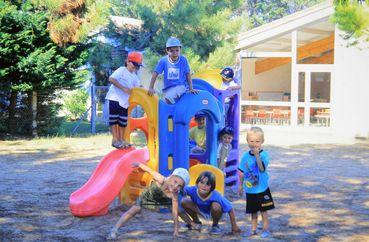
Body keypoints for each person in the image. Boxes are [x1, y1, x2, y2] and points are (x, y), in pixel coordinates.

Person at [108, 165, 190, 239]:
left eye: (179, 186)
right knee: (133, 211)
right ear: (171, 177)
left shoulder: (174, 194)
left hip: (163, 200)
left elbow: (174, 213)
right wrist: (139, 164)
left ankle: (191, 224)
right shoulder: (161, 179)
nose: (176, 186)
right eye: (175, 182)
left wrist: (176, 230)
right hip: (149, 196)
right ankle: (115, 229)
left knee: (179, 210)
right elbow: (149, 170)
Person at [238, 127, 275, 238]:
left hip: (262, 189)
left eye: (257, 141)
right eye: (251, 141)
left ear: (262, 141)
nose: (254, 144)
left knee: (264, 211)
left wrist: (257, 155)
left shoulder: (264, 155)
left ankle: (265, 229)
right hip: (250, 189)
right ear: (247, 141)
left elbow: (262, 169)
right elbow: (241, 172)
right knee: (253, 212)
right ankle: (253, 229)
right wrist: (240, 185)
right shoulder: (245, 156)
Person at [105, 51, 143, 149]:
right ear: (128, 62)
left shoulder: (134, 76)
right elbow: (111, 79)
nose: (135, 67)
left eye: (137, 66)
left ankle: (122, 140)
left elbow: (139, 86)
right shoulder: (122, 70)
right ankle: (115, 139)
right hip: (115, 98)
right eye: (134, 64)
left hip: (124, 102)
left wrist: (147, 90)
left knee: (122, 121)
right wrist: (123, 88)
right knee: (114, 120)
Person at [147, 37, 198, 104]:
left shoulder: (183, 60)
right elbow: (155, 73)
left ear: (180, 50)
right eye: (171, 51)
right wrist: (151, 87)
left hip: (180, 87)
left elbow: (187, 74)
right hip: (168, 89)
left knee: (168, 97)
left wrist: (191, 88)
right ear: (167, 51)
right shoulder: (163, 61)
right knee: (165, 103)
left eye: (177, 50)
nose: (175, 53)